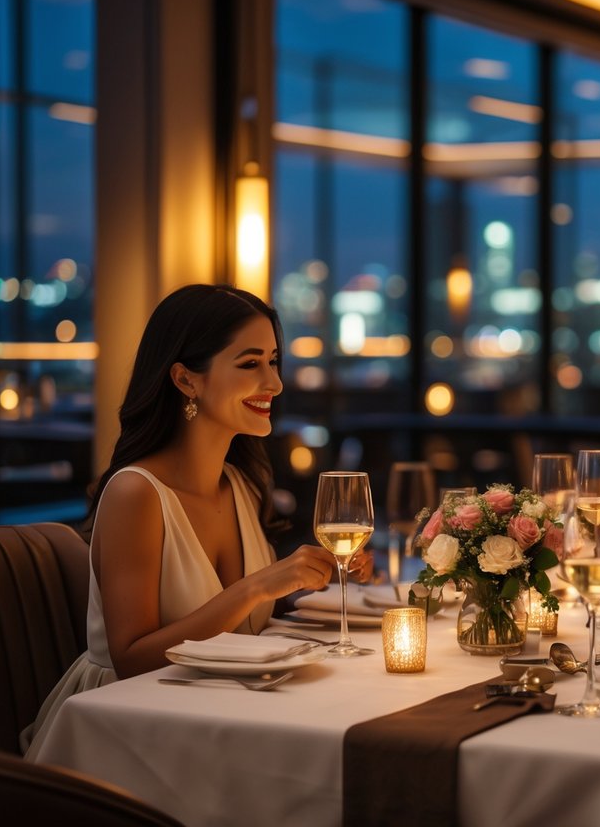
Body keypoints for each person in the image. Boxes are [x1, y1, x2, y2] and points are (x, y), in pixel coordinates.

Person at [23, 284, 371, 755]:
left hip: (222, 713)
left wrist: (310, 582)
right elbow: (131, 661)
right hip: (124, 728)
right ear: (186, 380)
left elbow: (241, 629)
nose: (275, 383)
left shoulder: (239, 483)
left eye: (273, 361)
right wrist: (258, 586)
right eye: (250, 364)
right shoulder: (136, 493)